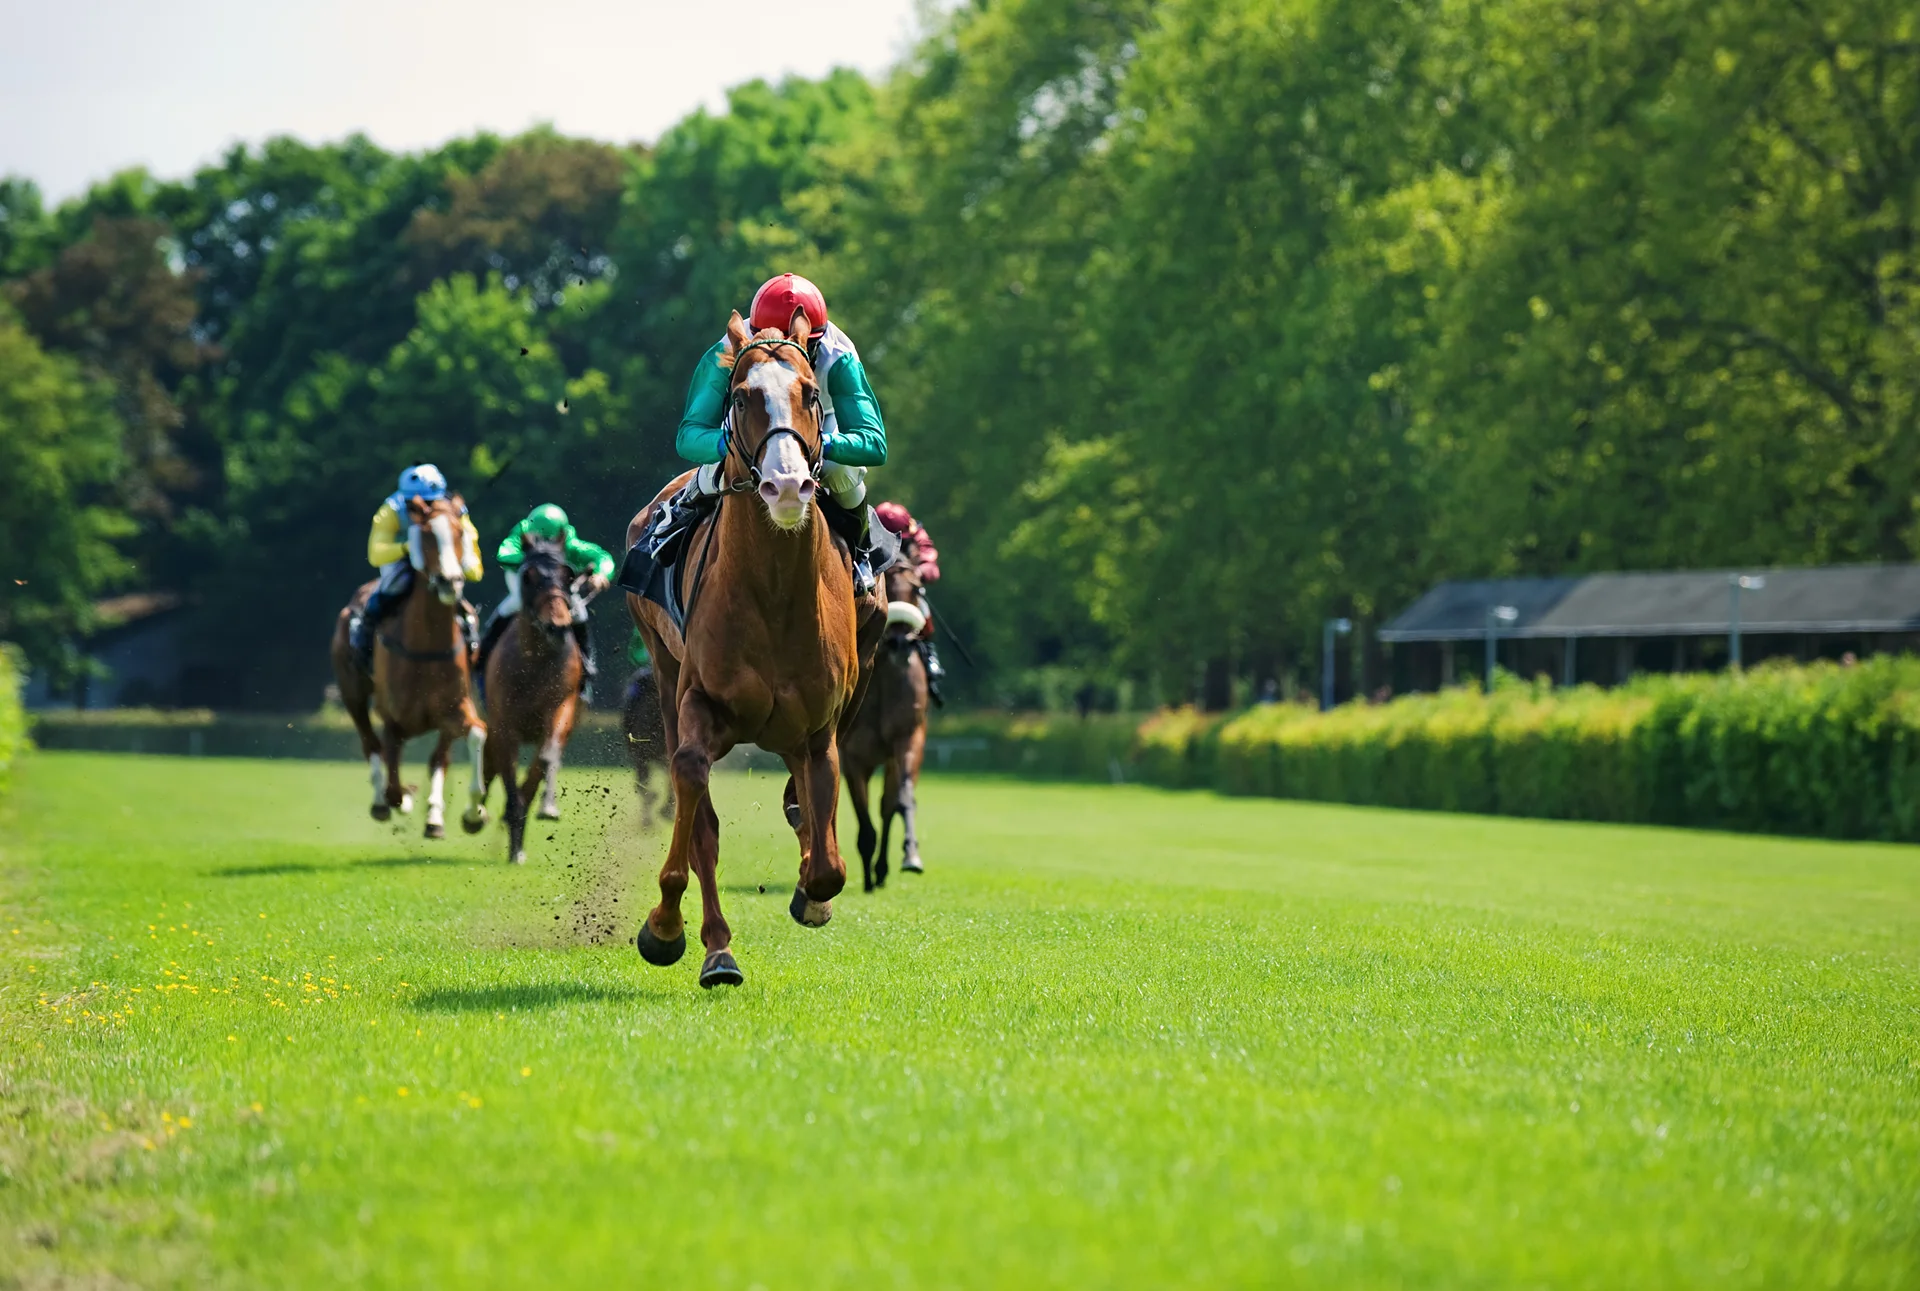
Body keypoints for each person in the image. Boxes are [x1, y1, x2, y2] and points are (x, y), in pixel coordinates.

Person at [648, 273, 888, 592]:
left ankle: (860, 551)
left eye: (799, 346)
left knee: (841, 471)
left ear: (815, 338)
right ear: (754, 334)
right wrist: (729, 446)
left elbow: (874, 444)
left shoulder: (838, 357)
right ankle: (682, 510)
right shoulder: (726, 353)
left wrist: (820, 444)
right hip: (754, 416)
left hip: (817, 416)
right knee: (724, 465)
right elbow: (689, 436)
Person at [350, 464, 482, 674]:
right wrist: (408, 547)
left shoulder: (454, 510)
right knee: (389, 590)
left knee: (463, 606)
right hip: (402, 557)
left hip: (438, 562)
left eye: (430, 501)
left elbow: (471, 549)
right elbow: (375, 553)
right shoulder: (391, 510)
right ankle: (364, 638)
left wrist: (468, 566)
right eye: (414, 504)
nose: (424, 508)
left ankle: (471, 643)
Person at [475, 503, 615, 686]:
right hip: (527, 579)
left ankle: (587, 662)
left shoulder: (570, 544)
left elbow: (602, 557)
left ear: (560, 536)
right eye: (539, 540)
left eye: (549, 541)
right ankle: (483, 656)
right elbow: (503, 554)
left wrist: (601, 574)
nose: (544, 545)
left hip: (557, 584)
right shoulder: (522, 531)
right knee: (514, 602)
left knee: (579, 611)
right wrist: (534, 559)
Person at [872, 500, 947, 705]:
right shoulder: (866, 533)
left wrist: (918, 572)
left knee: (922, 606)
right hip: (875, 588)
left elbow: (930, 563)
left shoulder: (916, 533)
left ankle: (928, 654)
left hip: (907, 588)